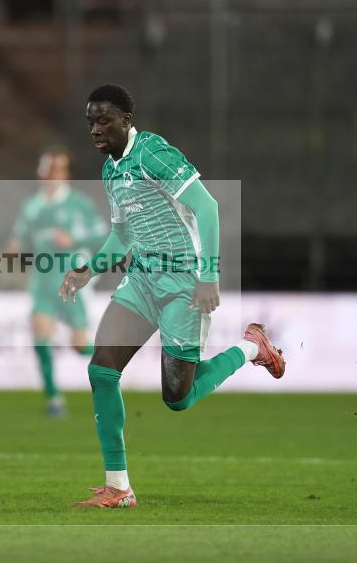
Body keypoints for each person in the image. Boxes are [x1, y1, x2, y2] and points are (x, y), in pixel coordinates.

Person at [59, 84, 286, 508]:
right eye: (90, 120)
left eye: (104, 119)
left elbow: (209, 207)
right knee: (102, 370)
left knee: (177, 398)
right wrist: (88, 271)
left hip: (184, 285)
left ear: (126, 120)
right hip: (143, 280)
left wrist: (209, 276)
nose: (95, 128)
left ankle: (250, 348)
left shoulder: (154, 154)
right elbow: (122, 234)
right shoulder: (111, 170)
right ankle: (119, 488)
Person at [7, 148, 108, 416]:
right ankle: (54, 398)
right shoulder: (32, 206)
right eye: (50, 170)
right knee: (40, 330)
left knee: (79, 346)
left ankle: (111, 359)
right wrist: (14, 248)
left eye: (60, 170)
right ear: (41, 174)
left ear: (66, 174)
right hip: (43, 280)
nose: (54, 176)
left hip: (73, 279)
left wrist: (74, 240)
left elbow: (102, 235)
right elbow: (20, 236)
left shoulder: (80, 204)